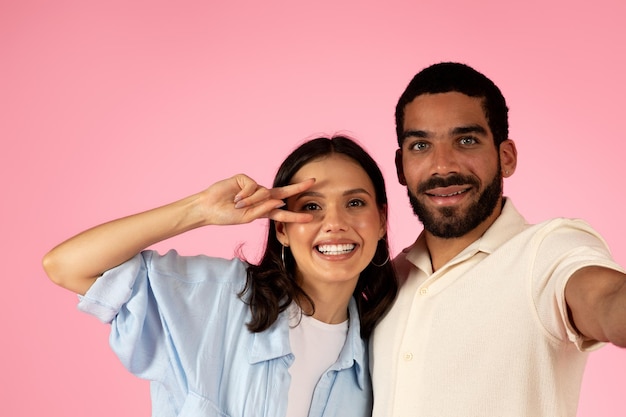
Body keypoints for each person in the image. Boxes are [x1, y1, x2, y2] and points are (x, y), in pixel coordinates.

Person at [43, 135, 398, 417]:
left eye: (355, 203)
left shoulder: (378, 355)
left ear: (381, 220)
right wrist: (199, 210)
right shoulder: (217, 298)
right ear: (281, 230)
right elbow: (65, 265)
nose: (335, 223)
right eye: (311, 207)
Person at [371, 62, 626, 417]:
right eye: (420, 145)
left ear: (505, 157)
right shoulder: (385, 280)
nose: (442, 166)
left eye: (466, 141)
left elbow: (607, 298)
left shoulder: (545, 252)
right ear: (400, 167)